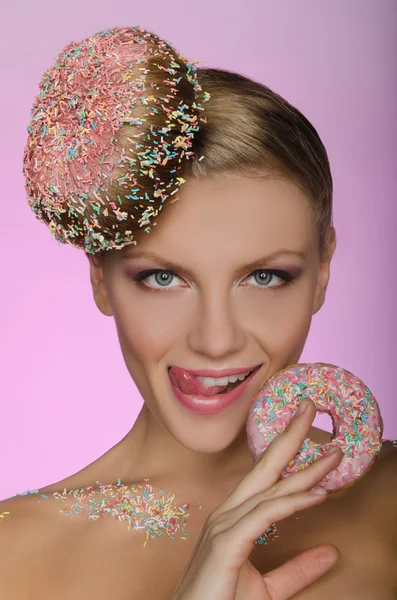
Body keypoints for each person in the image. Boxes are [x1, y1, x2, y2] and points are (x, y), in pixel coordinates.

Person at [0, 25, 395, 599]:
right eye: (163, 278)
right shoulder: (12, 557)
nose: (216, 340)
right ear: (101, 280)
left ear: (322, 272)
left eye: (265, 277)